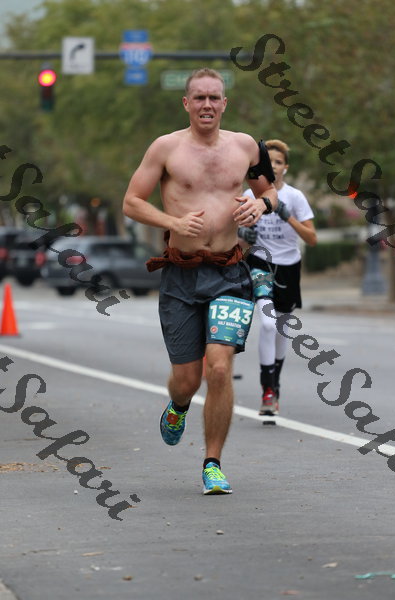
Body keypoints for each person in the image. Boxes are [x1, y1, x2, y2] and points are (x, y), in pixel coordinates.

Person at [122, 68, 278, 495]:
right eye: (199, 97)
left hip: (229, 274)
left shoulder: (246, 146)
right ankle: (178, 405)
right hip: (181, 277)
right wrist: (173, 222)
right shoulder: (166, 148)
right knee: (188, 380)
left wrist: (261, 206)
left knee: (220, 369)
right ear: (186, 103)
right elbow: (132, 202)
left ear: (224, 103)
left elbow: (270, 190)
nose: (207, 104)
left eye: (214, 97)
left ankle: (212, 463)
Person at [238, 139, 317, 416]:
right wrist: (242, 235)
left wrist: (287, 217)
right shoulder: (249, 195)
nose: (273, 166)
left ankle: (275, 385)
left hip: (289, 267)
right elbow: (236, 239)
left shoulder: (295, 197)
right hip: (260, 263)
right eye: (268, 161)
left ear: (286, 168)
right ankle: (268, 390)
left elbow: (312, 238)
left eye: (278, 162)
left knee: (282, 329)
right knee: (268, 324)